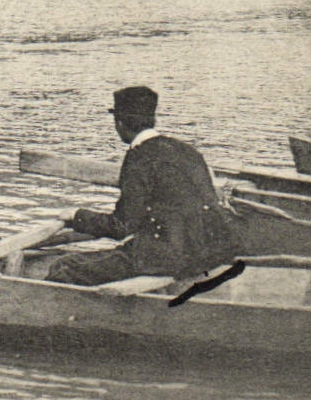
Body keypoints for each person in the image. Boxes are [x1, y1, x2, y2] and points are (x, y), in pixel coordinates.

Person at [45, 86, 243, 287]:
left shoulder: (139, 158)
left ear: (119, 123)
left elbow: (122, 226)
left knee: (64, 266)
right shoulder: (187, 151)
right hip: (210, 252)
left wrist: (76, 215)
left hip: (168, 257)